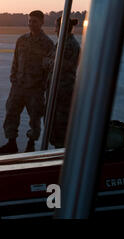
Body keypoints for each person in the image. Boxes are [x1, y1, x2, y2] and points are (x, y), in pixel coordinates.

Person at [0, 10, 54, 154]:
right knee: (11, 113)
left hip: (35, 88)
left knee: (34, 118)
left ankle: (31, 144)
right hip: (18, 86)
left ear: (42, 23)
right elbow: (15, 60)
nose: (31, 24)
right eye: (30, 21)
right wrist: (13, 77)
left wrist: (43, 86)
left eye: (35, 21)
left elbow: (49, 68)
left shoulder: (47, 44)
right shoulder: (22, 40)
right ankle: (11, 143)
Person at [45, 17, 80, 148]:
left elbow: (55, 64)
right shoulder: (63, 43)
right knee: (55, 124)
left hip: (62, 91)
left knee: (60, 125)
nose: (55, 30)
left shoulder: (69, 44)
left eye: (56, 26)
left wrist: (47, 62)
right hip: (58, 89)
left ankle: (60, 153)